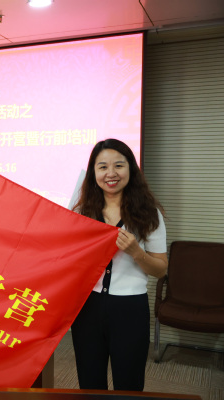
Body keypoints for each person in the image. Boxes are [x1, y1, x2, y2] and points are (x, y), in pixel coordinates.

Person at [71, 138, 168, 391]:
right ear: (93, 173)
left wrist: (137, 252)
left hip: (129, 308)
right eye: (102, 167)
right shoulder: (81, 212)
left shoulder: (149, 214)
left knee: (129, 384)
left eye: (119, 165)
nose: (111, 173)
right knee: (90, 383)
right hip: (87, 307)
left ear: (130, 169)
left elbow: (161, 269)